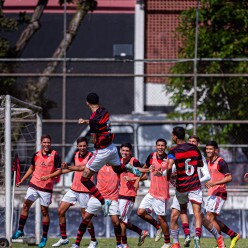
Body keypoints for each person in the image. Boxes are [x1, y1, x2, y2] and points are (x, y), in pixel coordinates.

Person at [78, 93, 141, 214]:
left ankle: (103, 202)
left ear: (87, 103)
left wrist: (92, 139)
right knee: (117, 169)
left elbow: (94, 137)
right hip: (112, 148)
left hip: (101, 151)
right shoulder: (104, 111)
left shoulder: (93, 119)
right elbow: (97, 124)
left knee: (84, 179)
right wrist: (86, 122)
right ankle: (127, 166)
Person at [12, 134, 62, 248]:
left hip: (46, 188)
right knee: (25, 205)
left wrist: (49, 176)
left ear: (50, 143)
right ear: (41, 143)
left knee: (44, 212)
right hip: (34, 185)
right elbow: (31, 168)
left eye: (48, 142)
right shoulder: (36, 155)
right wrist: (22, 180)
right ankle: (20, 230)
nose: (46, 144)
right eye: (44, 142)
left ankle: (44, 237)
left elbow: (59, 171)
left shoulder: (55, 155)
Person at [52, 137, 97, 248]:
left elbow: (83, 168)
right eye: (80, 146)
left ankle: (93, 240)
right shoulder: (76, 154)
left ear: (87, 146)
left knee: (85, 217)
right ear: (77, 146)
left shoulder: (91, 156)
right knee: (60, 211)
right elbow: (73, 168)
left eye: (84, 145)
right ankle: (63, 238)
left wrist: (69, 166)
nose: (82, 148)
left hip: (85, 191)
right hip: (73, 189)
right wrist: (60, 171)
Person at [166, 127, 204, 248]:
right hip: (194, 185)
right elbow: (201, 163)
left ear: (175, 136)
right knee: (197, 213)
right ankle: (197, 236)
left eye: (172, 135)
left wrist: (168, 176)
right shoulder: (194, 148)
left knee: (183, 210)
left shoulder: (173, 151)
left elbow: (169, 167)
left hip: (182, 186)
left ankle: (187, 234)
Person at [70, 164, 123, 248]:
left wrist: (143, 170)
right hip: (97, 197)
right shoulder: (99, 163)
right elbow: (81, 168)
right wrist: (69, 167)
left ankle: (119, 244)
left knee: (116, 222)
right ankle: (76, 244)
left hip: (112, 198)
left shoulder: (117, 165)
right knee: (85, 219)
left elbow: (130, 168)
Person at [205, 141, 240, 248]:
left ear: (216, 150)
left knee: (210, 219)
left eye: (210, 149)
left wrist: (214, 183)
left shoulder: (221, 162)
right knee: (210, 219)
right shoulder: (208, 161)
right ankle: (233, 235)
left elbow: (229, 178)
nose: (208, 151)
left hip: (219, 192)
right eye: (207, 149)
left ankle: (221, 244)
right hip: (211, 193)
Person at [137, 139, 171, 248]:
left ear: (165, 147)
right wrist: (138, 179)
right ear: (156, 146)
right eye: (158, 145)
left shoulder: (169, 158)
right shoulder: (151, 156)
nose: (160, 147)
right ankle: (158, 227)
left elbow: (174, 174)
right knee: (140, 212)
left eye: (162, 145)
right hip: (151, 192)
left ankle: (167, 242)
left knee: (162, 218)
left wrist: (164, 173)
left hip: (162, 193)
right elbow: (143, 170)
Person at [118, 143, 148, 248]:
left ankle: (124, 245)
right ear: (120, 151)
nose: (124, 153)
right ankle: (140, 232)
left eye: (127, 151)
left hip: (129, 194)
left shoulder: (134, 161)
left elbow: (144, 176)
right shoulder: (119, 162)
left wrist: (133, 179)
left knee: (120, 220)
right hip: (120, 193)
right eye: (123, 150)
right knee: (121, 220)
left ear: (130, 152)